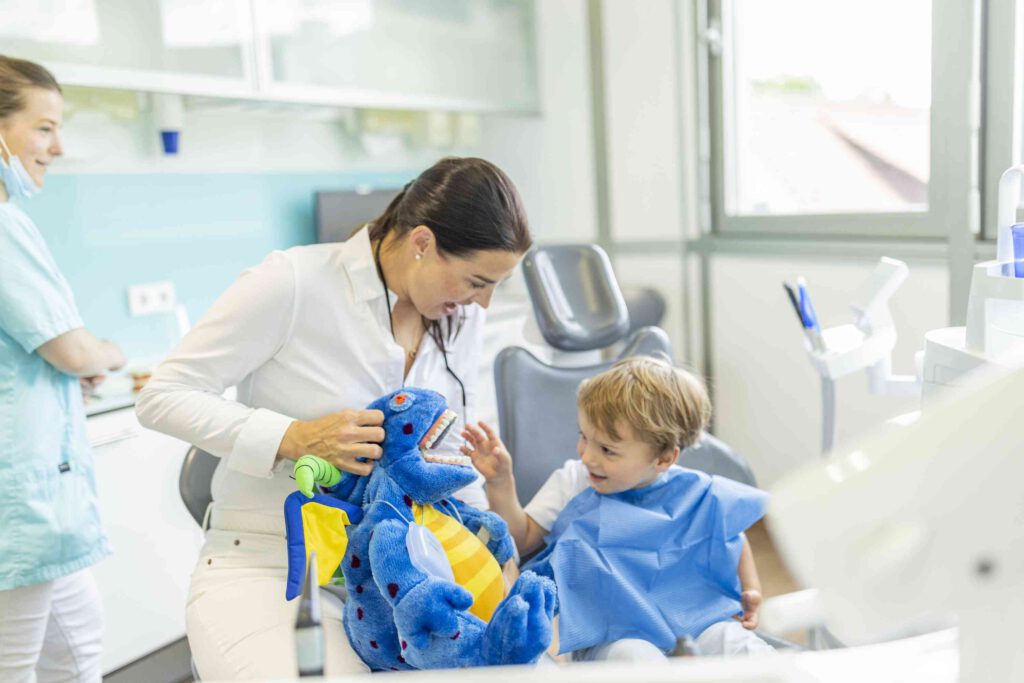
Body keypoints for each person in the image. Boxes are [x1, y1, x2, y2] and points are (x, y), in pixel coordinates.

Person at [135, 156, 531, 680]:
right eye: (478, 281)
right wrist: (294, 436)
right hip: (274, 568)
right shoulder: (294, 282)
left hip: (406, 576)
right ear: (422, 243)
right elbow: (162, 394)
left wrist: (489, 555)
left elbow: (451, 461)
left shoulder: (454, 318)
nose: (483, 303)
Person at [461, 355, 774, 662]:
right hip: (610, 629)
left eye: (608, 450)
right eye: (584, 437)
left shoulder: (696, 492)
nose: (588, 457)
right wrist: (502, 484)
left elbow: (732, 537)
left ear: (664, 458)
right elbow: (521, 538)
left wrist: (751, 588)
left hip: (693, 617)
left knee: (736, 643)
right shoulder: (574, 481)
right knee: (634, 659)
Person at [0, 55, 127, 682]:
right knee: (17, 665)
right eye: (43, 127)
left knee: (76, 644)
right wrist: (107, 353)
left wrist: (66, 365)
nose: (58, 145)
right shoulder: (1, 225)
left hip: (33, 498)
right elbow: (72, 349)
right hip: (18, 499)